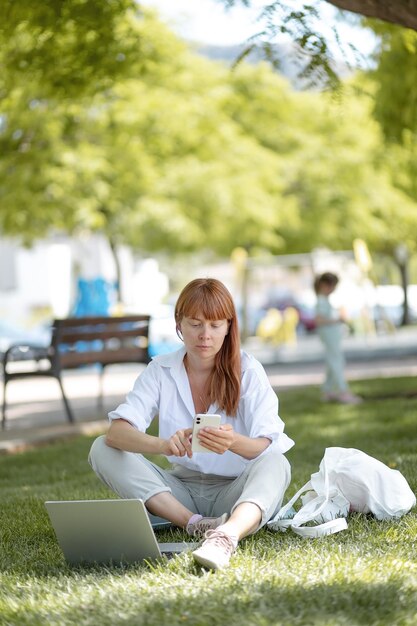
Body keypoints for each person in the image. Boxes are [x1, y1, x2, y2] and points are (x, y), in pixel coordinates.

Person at [89, 278, 294, 570]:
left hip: (233, 491)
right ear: (179, 323)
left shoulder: (248, 370)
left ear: (228, 326)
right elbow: (117, 432)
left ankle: (226, 535)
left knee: (277, 462)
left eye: (214, 325)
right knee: (101, 448)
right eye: (195, 324)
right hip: (178, 495)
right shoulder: (160, 369)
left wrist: (232, 441)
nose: (205, 335)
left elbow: (265, 444)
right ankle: (195, 525)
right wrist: (162, 444)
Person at [314, 272, 362, 405]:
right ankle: (343, 391)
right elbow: (319, 319)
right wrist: (337, 319)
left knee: (332, 362)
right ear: (325, 285)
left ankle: (327, 390)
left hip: (332, 336)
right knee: (336, 362)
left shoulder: (324, 299)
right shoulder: (321, 300)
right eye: (332, 286)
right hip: (329, 336)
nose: (333, 289)